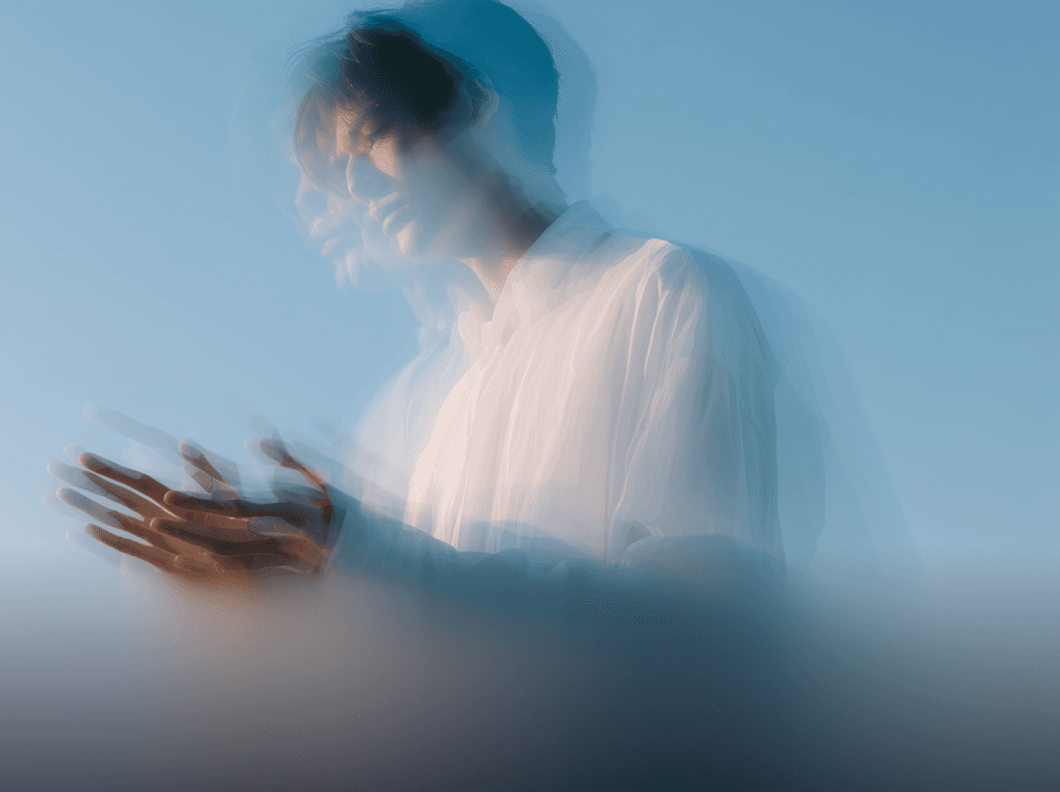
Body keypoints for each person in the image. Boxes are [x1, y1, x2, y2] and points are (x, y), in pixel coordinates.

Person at [56, 0, 895, 589]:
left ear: (477, 111)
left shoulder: (664, 295)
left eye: (370, 141)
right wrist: (280, 576)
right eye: (323, 173)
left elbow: (711, 635)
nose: (344, 190)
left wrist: (360, 554)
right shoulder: (421, 406)